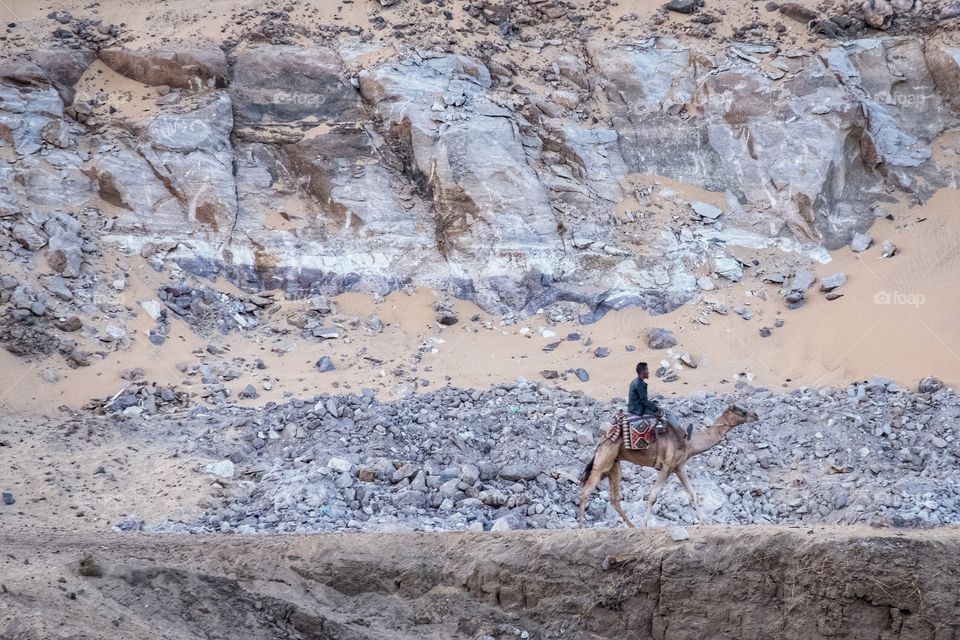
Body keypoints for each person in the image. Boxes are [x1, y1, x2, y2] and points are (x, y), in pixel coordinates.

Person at [627, 362, 692, 440]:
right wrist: (656, 409)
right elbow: (644, 401)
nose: (648, 372)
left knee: (658, 407)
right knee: (667, 412)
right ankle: (684, 434)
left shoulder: (635, 382)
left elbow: (641, 399)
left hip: (634, 407)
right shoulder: (639, 384)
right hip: (638, 409)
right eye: (647, 370)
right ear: (642, 372)